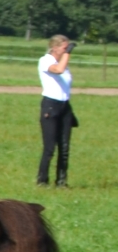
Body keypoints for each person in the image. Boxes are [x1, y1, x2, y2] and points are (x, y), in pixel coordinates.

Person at [38, 34, 75, 187]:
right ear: (54, 47)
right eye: (64, 48)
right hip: (50, 106)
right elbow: (58, 70)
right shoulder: (45, 60)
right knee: (50, 147)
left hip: (65, 106)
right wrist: (68, 53)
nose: (66, 51)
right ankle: (42, 181)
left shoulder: (64, 64)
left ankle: (61, 181)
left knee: (64, 147)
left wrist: (65, 56)